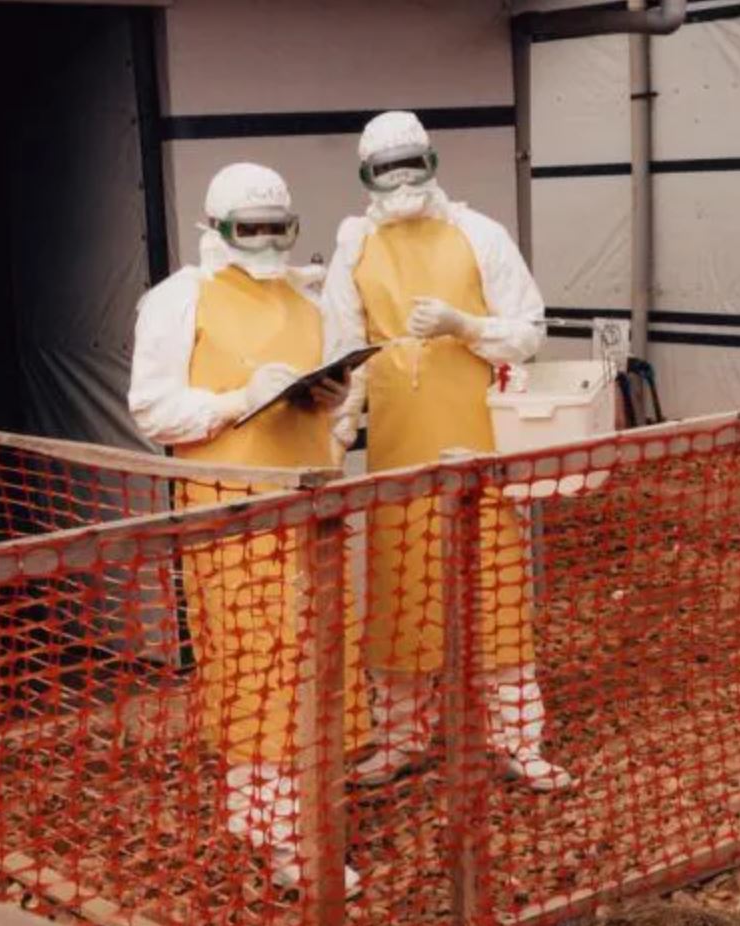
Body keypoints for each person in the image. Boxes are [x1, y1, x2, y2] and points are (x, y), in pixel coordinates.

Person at [128, 163, 368, 896]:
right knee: (255, 660)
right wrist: (236, 400)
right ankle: (284, 830)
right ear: (215, 227)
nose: (266, 242)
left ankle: (286, 807)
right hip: (230, 508)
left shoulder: (309, 298)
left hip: (310, 504)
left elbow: (339, 400)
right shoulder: (178, 299)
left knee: (314, 654)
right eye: (250, 229)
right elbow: (152, 410)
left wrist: (330, 397)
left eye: (278, 228)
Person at [321, 111, 573, 793]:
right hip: (398, 452)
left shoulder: (479, 234)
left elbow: (527, 331)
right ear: (366, 175)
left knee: (497, 593)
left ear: (432, 161)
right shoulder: (354, 249)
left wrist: (465, 325)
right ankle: (399, 740)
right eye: (386, 169)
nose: (401, 180)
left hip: (477, 443)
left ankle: (518, 741)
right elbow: (344, 357)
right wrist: (334, 437)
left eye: (412, 164)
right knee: (399, 596)